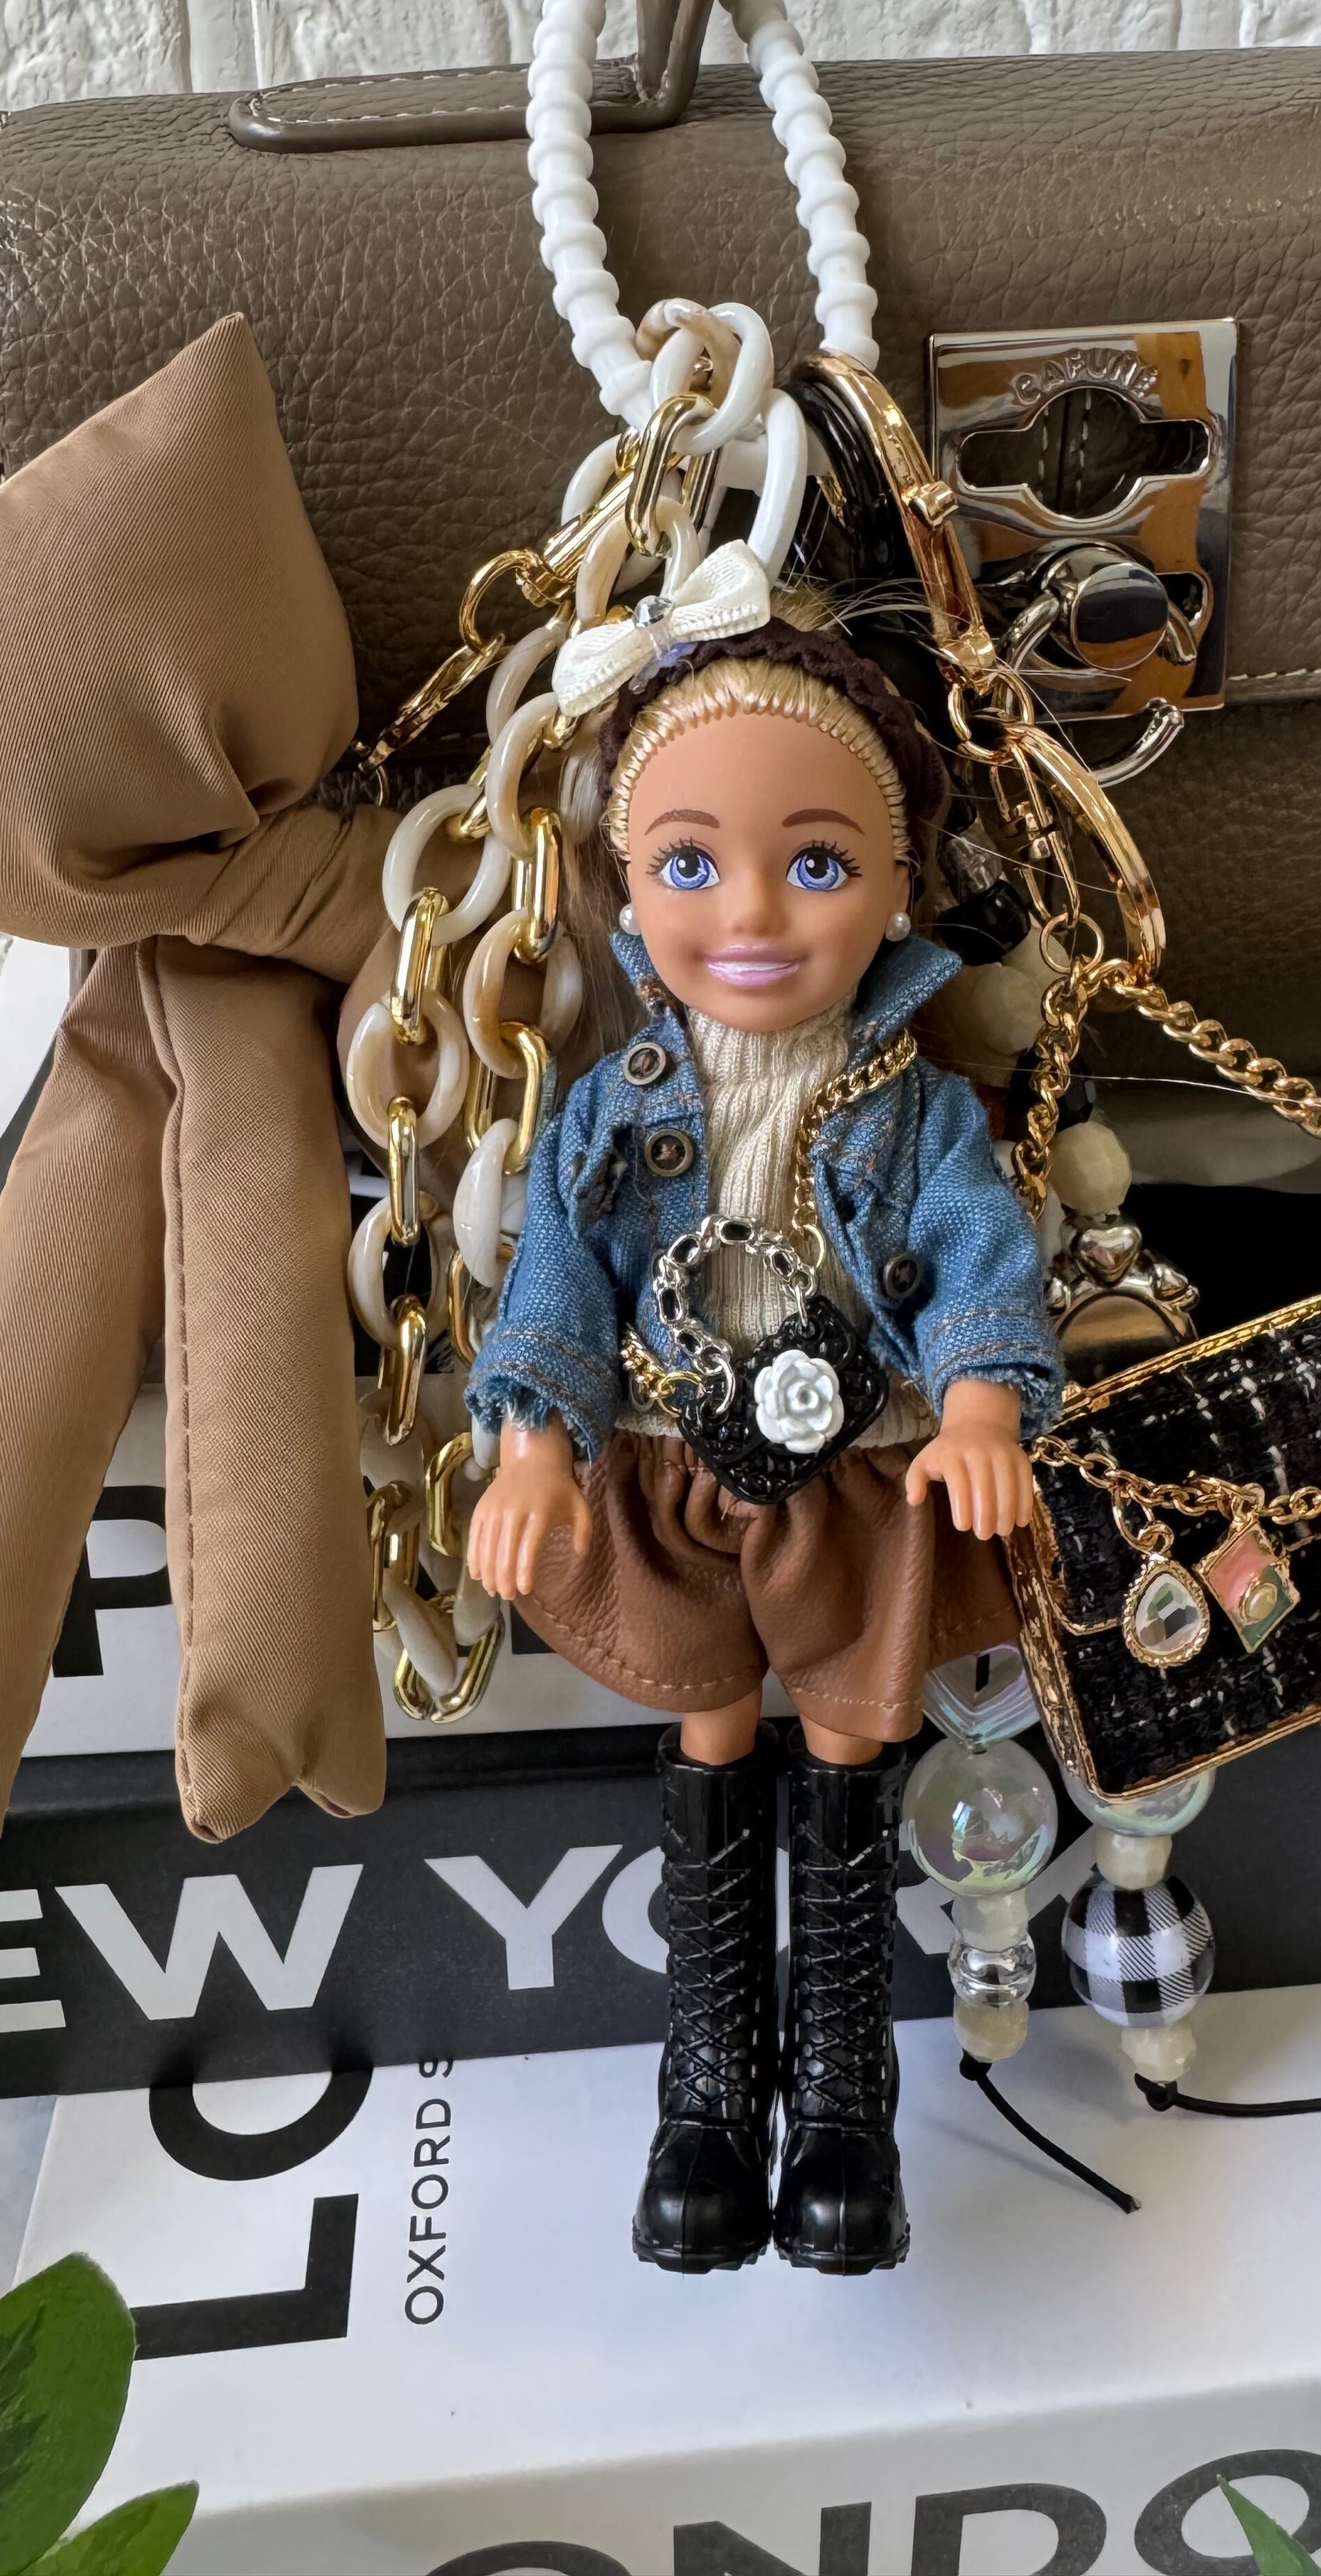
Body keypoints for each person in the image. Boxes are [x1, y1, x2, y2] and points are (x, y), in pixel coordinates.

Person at [466, 619, 1062, 2274]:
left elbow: (978, 1251)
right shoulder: (609, 1100)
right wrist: (532, 1440)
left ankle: (847, 2091)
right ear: (624, 891)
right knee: (714, 1731)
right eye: (688, 863)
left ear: (898, 889)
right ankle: (710, 2088)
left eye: (815, 863)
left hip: (860, 1475)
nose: (749, 916)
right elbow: (558, 1271)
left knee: (854, 1744)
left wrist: (982, 1402)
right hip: (671, 1470)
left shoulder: (914, 1102)